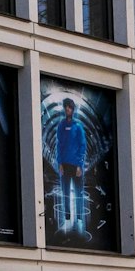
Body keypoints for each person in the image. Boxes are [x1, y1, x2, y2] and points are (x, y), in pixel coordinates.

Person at [52, 98, 88, 235]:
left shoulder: (78, 127)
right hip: (65, 165)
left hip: (76, 165)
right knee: (65, 192)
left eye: (70, 107)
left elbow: (82, 146)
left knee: (78, 193)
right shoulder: (61, 126)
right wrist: (60, 163)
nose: (67, 109)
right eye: (66, 107)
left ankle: (79, 218)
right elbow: (59, 145)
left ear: (73, 109)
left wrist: (80, 165)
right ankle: (67, 218)